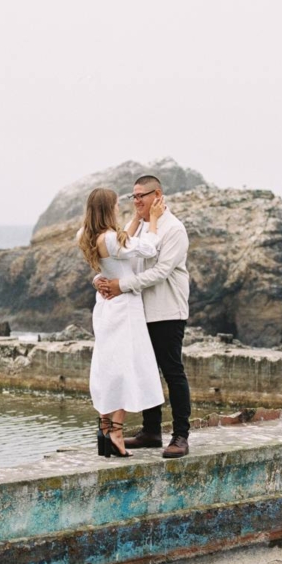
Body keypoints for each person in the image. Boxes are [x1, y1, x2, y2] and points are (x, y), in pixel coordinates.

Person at [94, 174, 192, 458]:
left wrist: (120, 286)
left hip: (166, 310)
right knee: (144, 370)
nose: (136, 201)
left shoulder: (174, 229)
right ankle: (151, 431)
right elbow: (118, 263)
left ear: (157, 195)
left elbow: (161, 271)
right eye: (132, 196)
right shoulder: (135, 229)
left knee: (172, 371)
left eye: (141, 196)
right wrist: (100, 281)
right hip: (137, 313)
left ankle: (181, 436)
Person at [77, 187, 166, 457]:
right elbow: (148, 248)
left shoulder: (84, 235)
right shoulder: (113, 239)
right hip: (125, 307)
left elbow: (110, 258)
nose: (119, 208)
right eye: (115, 205)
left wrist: (137, 221)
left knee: (107, 367)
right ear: (107, 208)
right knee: (127, 367)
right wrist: (153, 219)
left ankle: (104, 428)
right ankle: (116, 430)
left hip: (104, 307)